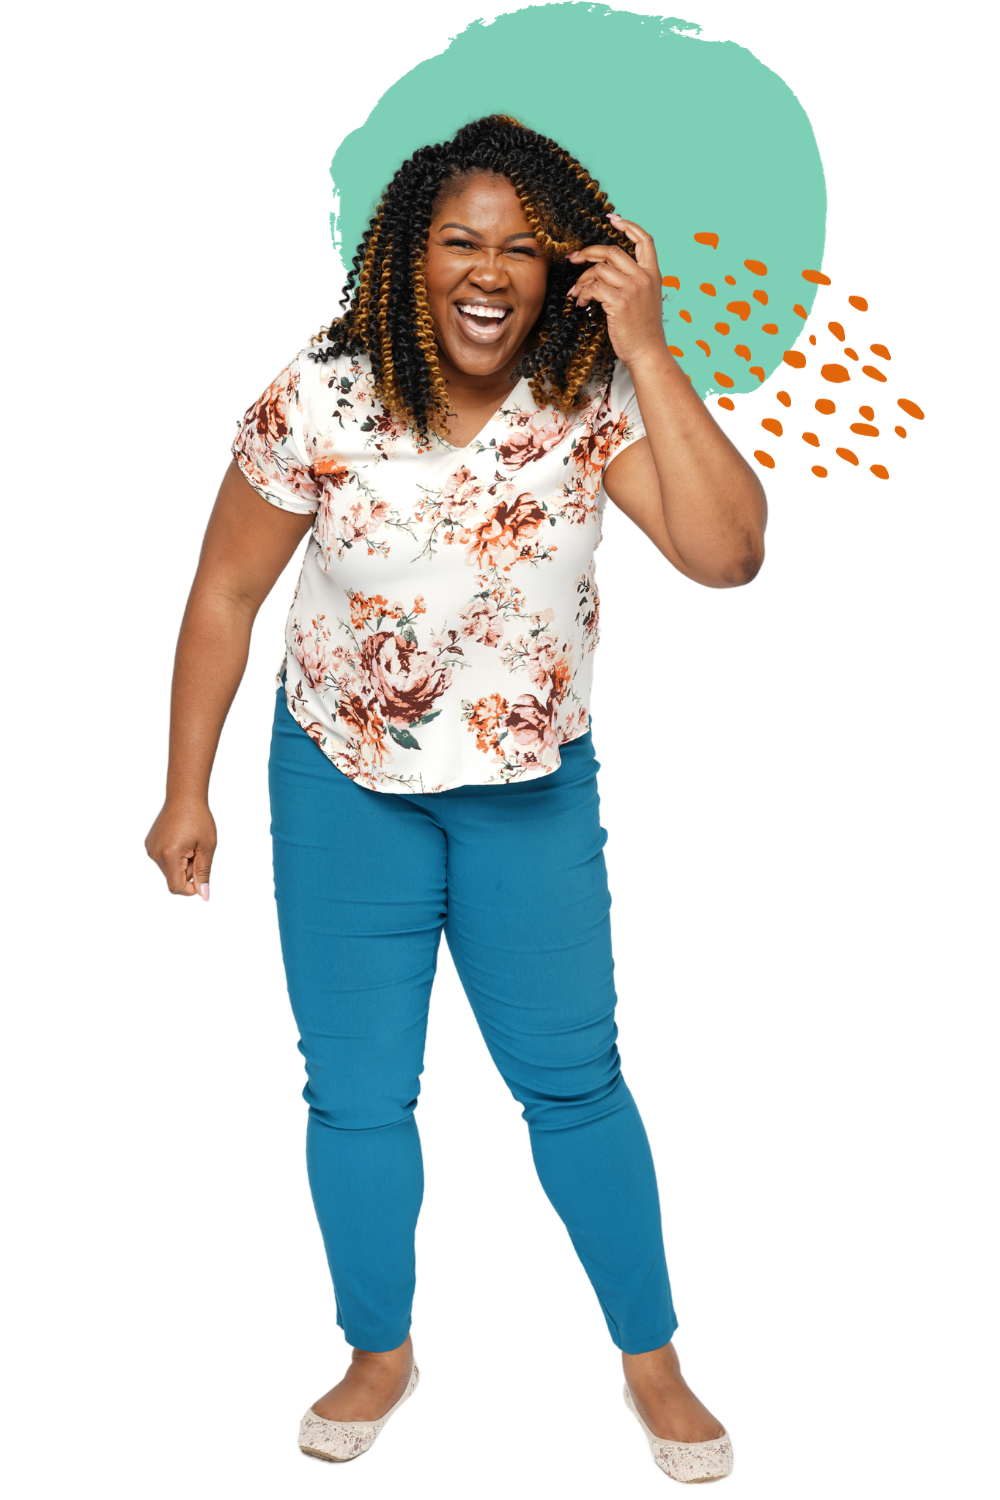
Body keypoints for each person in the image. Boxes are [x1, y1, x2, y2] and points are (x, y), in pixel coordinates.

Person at [143, 114, 765, 1478]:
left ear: (564, 271)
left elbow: (731, 552)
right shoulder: (323, 393)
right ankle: (379, 1357)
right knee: (356, 1089)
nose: (488, 272)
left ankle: (652, 1361)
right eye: (459, 243)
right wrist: (186, 791)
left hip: (531, 791)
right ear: (410, 255)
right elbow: (226, 592)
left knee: (575, 1081)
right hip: (343, 783)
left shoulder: (594, 391)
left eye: (521, 251)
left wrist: (650, 348)